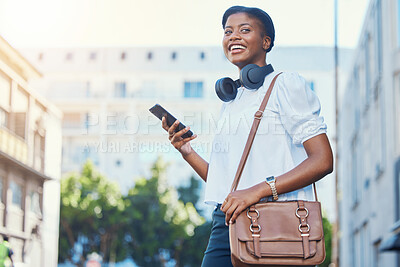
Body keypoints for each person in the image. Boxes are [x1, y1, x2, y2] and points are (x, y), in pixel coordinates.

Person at [162, 5, 333, 266]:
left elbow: (322, 160)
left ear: (266, 42)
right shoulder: (232, 100)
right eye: (228, 31)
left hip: (275, 222)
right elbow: (226, 184)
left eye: (245, 30)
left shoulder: (284, 84)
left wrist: (257, 191)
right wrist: (187, 152)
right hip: (227, 221)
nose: (233, 36)